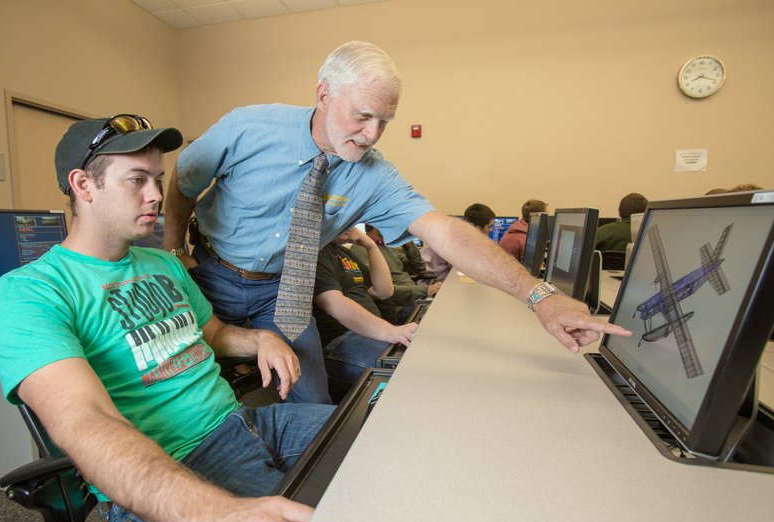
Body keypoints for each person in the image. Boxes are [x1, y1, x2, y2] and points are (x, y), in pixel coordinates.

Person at [164, 41, 631, 395]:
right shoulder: (249, 128)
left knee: (310, 398)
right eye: (363, 116)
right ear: (324, 94)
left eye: (385, 120)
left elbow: (446, 231)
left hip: (282, 289)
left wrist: (541, 297)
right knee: (192, 395)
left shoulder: (375, 174)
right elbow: (183, 185)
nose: (372, 134)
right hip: (208, 271)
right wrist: (172, 249)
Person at [0, 116, 335, 522]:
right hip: (176, 462)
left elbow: (215, 335)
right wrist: (214, 515)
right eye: (136, 180)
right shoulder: (27, 293)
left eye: (158, 179)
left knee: (379, 435)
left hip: (245, 422)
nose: (155, 196)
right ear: (83, 185)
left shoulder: (165, 263)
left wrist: (260, 338)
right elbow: (86, 419)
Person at [313, 227, 417, 398]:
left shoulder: (347, 254)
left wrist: (371, 247)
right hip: (340, 339)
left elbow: (384, 291)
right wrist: (388, 330)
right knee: (408, 372)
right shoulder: (317, 252)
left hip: (369, 331)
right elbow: (333, 303)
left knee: (421, 359)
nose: (350, 224)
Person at [421, 203, 496, 281]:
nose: (491, 230)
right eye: (489, 226)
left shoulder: (461, 234)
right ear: (477, 229)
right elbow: (468, 268)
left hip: (438, 278)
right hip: (430, 282)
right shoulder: (456, 240)